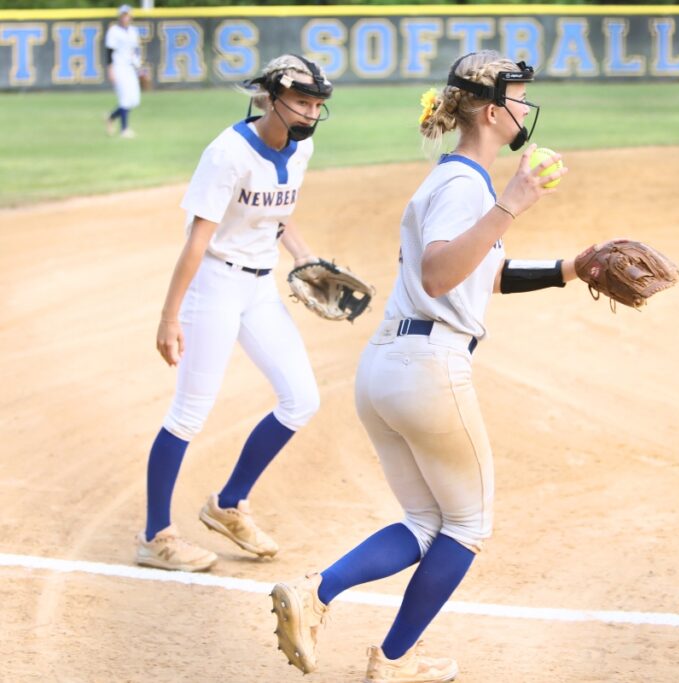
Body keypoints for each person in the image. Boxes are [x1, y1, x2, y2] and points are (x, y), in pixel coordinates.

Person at [269, 50, 586, 682]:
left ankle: (318, 593)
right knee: (467, 526)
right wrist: (514, 202)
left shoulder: (455, 181)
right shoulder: (466, 186)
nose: (525, 106)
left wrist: (572, 269)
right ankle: (391, 658)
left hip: (390, 365)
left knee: (426, 522)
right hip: (429, 367)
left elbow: (482, 272)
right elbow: (440, 274)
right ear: (491, 112)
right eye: (518, 96)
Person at [135, 54, 335, 572]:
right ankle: (155, 536)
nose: (311, 113)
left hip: (260, 286)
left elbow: (278, 214)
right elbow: (197, 241)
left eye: (317, 104)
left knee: (301, 399)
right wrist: (169, 316)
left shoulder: (302, 146)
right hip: (215, 286)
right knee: (190, 412)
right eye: (302, 102)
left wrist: (304, 256)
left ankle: (228, 503)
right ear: (271, 97)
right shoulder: (226, 154)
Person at [104, 4, 142, 138]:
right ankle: (124, 129)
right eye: (123, 15)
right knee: (125, 98)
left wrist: (139, 66)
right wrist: (110, 69)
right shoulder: (114, 31)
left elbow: (136, 50)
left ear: (130, 17)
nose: (125, 17)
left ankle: (111, 116)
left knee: (135, 100)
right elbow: (109, 51)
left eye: (127, 15)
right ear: (119, 17)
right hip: (118, 67)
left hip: (130, 68)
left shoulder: (133, 31)